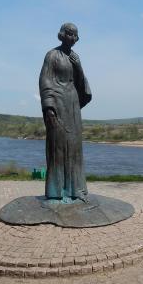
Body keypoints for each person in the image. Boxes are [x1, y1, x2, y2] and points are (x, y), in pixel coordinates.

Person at [39, 23, 92, 202]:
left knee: (75, 147)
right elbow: (45, 80)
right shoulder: (52, 55)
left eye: (76, 36)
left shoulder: (75, 58)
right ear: (62, 35)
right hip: (58, 105)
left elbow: (81, 84)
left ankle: (76, 190)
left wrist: (78, 67)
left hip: (73, 106)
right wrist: (48, 107)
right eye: (71, 34)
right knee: (58, 147)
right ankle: (56, 192)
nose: (74, 38)